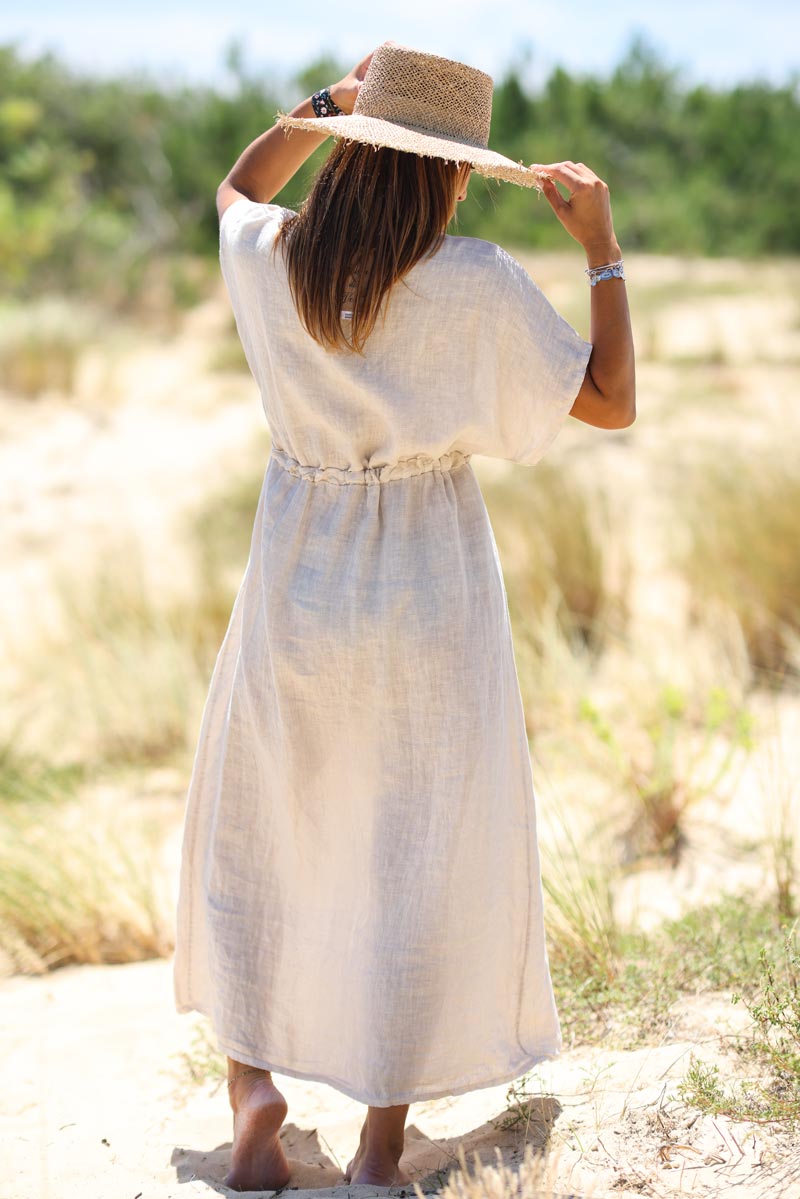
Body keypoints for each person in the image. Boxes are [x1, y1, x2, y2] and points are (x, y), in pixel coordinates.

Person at [172, 40, 635, 1194]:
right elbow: (611, 404)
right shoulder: (471, 282)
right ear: (454, 174)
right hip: (426, 587)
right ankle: (381, 1142)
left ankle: (255, 1088)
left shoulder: (271, 256)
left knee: (264, 821)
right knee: (412, 850)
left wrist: (324, 104)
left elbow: (233, 188)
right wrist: (601, 251)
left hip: (295, 578)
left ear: (352, 152)